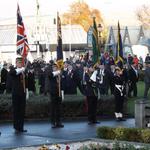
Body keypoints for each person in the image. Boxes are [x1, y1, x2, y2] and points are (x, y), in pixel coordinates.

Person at [9, 57, 28, 133]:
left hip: (22, 93)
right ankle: (16, 126)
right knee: (16, 110)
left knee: (22, 111)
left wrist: (26, 91)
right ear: (16, 63)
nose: (20, 64)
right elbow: (13, 73)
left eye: (21, 63)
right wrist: (21, 69)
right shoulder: (13, 70)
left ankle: (21, 126)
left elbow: (26, 82)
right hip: (16, 94)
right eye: (18, 63)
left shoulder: (24, 71)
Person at [48, 63, 64, 128]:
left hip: (58, 93)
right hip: (53, 93)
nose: (55, 68)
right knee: (53, 108)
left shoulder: (58, 75)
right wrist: (57, 72)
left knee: (58, 108)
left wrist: (62, 92)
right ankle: (53, 122)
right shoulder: (51, 74)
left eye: (56, 68)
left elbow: (61, 83)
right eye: (54, 68)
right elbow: (50, 75)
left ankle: (58, 122)